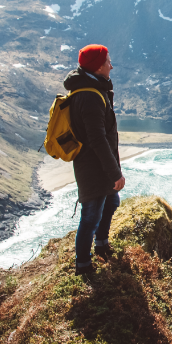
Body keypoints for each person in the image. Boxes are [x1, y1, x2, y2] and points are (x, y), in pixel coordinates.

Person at [63, 44, 125, 275]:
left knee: (111, 203)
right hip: (92, 167)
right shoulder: (90, 97)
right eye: (108, 61)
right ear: (98, 67)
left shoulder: (92, 88)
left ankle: (101, 245)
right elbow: (97, 140)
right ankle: (83, 265)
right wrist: (115, 173)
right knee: (90, 216)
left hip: (98, 164)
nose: (111, 65)